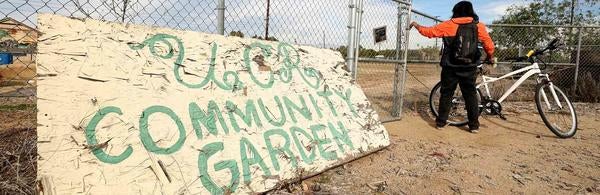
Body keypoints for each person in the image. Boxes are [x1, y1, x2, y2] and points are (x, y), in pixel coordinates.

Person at [410, 1, 495, 133]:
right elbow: (489, 45)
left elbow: (429, 32)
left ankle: (441, 122)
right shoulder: (479, 26)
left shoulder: (448, 25)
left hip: (450, 66)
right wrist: (489, 56)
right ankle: (473, 126)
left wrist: (417, 25)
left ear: (455, 11)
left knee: (447, 93)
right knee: (470, 94)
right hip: (469, 66)